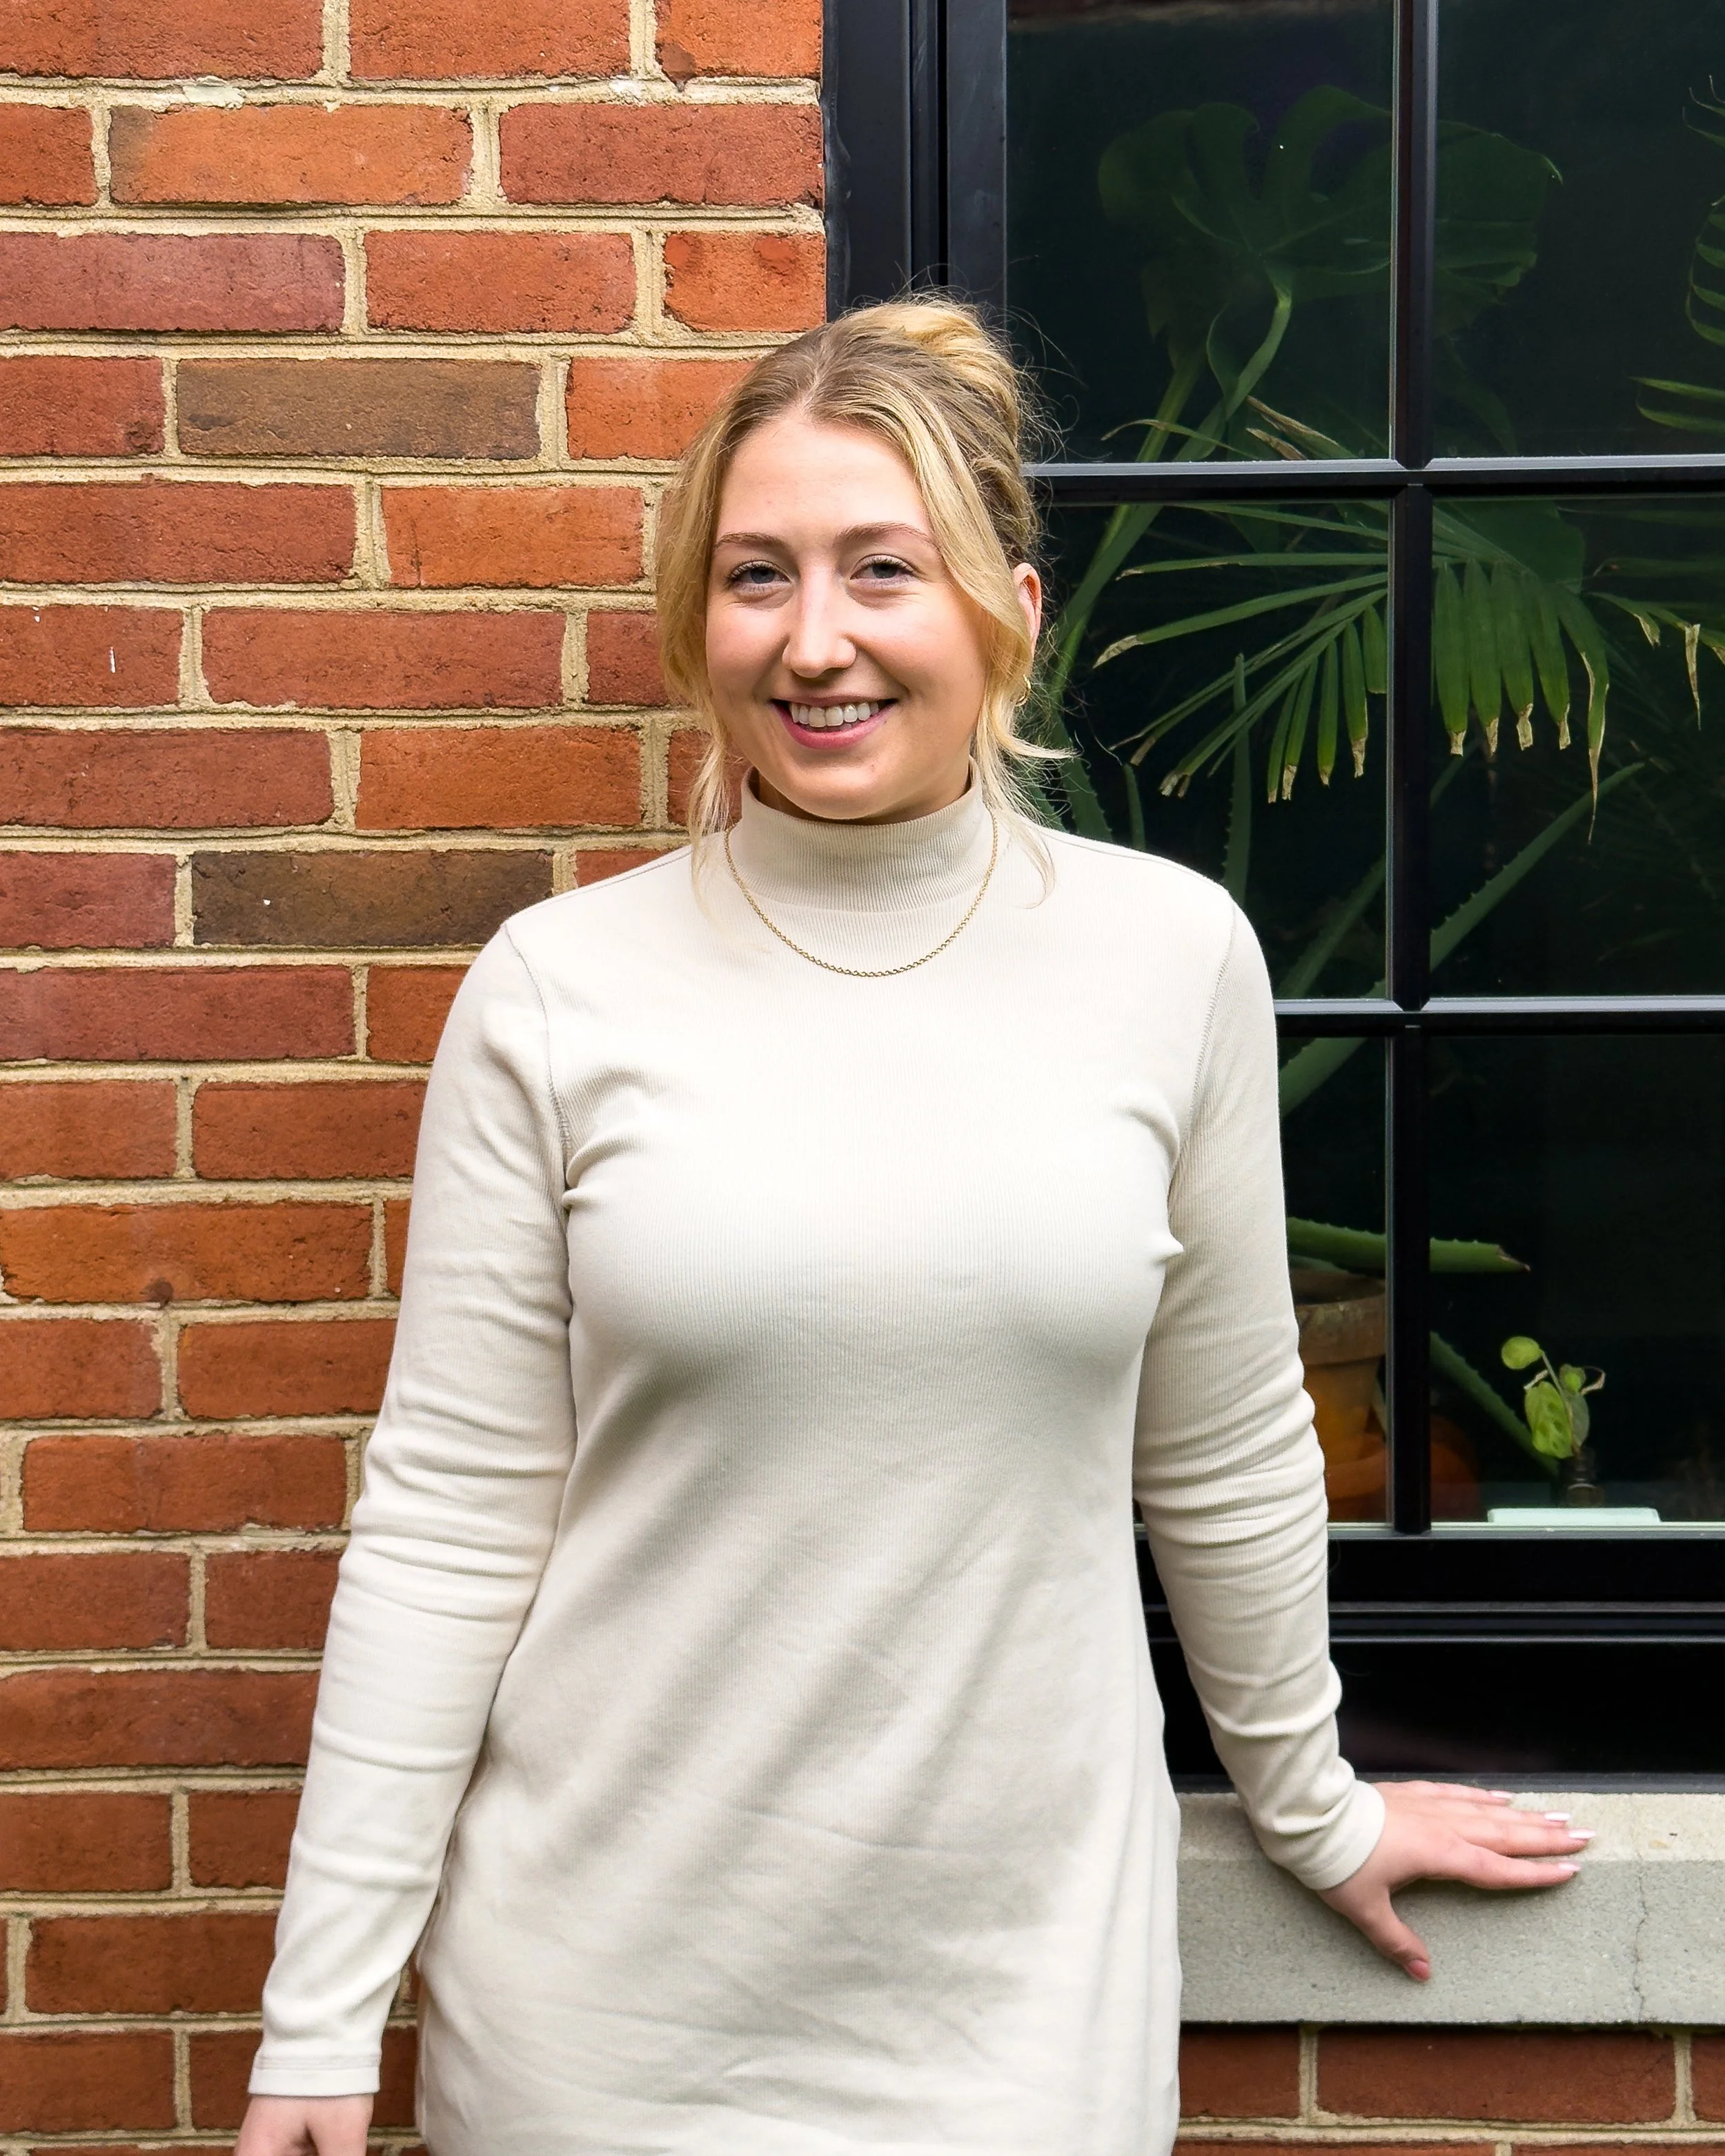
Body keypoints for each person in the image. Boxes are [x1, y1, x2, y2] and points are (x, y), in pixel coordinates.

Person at [236, 299, 1588, 2156]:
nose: (812, 639)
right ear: (693, 622)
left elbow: (1225, 1445)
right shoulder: (557, 991)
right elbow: (450, 1521)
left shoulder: (1164, 957)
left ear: (1008, 609)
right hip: (605, 2013)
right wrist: (318, 2013)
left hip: (1013, 2002)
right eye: (754, 576)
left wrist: (1312, 1802)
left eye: (883, 569)